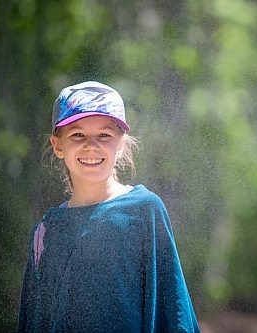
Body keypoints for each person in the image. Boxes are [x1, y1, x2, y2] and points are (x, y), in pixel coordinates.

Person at [18, 81, 200, 332]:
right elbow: (34, 321)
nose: (91, 145)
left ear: (121, 143)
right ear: (58, 145)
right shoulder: (46, 233)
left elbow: (173, 313)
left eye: (104, 135)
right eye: (77, 134)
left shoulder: (144, 212)